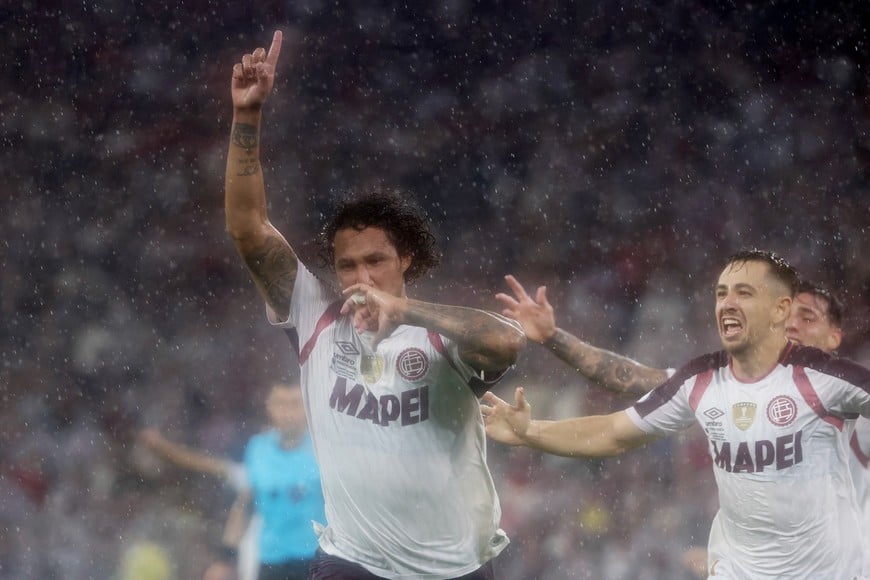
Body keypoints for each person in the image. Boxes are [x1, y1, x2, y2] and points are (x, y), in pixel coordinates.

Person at [224, 30, 526, 580]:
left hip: (453, 567)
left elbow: (508, 340)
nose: (361, 277)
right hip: (351, 563)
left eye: (375, 261)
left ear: (405, 258)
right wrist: (248, 118)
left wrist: (407, 311)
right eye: (346, 266)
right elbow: (247, 229)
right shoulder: (315, 315)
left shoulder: (437, 336)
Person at [481, 250, 870, 579]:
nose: (728, 303)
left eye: (744, 293)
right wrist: (529, 430)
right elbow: (615, 429)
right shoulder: (701, 381)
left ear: (777, 309)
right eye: (721, 294)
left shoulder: (830, 382)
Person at [140, 382, 323, 580]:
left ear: (307, 407)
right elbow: (244, 504)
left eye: (295, 404)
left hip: (317, 559)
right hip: (270, 560)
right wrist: (225, 558)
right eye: (280, 403)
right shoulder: (258, 448)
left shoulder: (323, 450)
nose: (288, 412)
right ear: (269, 407)